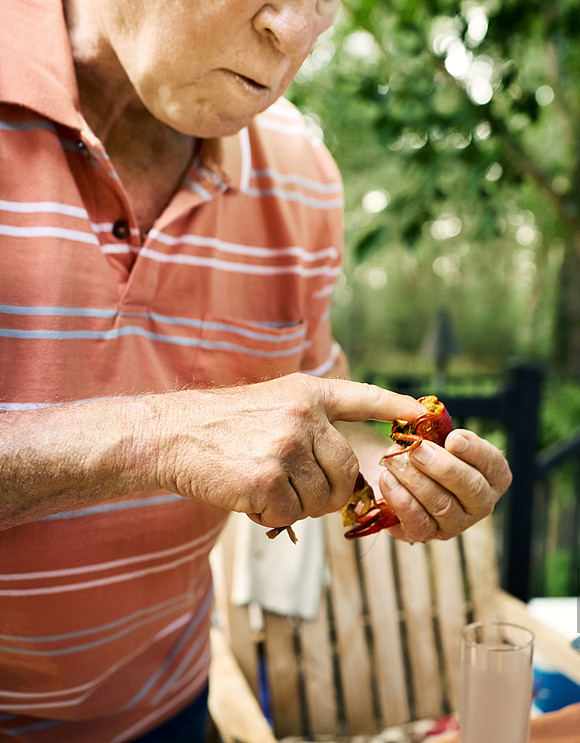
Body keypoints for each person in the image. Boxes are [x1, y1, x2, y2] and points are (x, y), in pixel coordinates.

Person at [0, 2, 513, 741]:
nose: (297, 31)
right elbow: (196, 433)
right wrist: (164, 438)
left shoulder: (302, 176)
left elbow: (326, 429)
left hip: (167, 708)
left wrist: (409, 479)